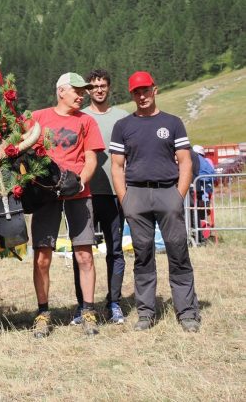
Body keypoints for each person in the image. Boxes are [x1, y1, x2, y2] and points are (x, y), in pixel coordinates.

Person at [110, 71, 200, 333]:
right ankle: (146, 313)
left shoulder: (173, 123)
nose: (142, 95)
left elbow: (185, 162)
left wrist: (177, 196)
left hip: (167, 193)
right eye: (136, 92)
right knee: (142, 255)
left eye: (145, 90)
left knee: (178, 251)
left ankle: (187, 313)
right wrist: (125, 199)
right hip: (136, 195)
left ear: (155, 90)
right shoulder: (123, 126)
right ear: (131, 95)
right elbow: (117, 167)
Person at [29, 73, 104, 338]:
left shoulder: (87, 121)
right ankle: (42, 313)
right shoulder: (38, 117)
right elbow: (21, 148)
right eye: (77, 90)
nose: (82, 95)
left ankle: (89, 311)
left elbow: (92, 158)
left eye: (84, 90)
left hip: (78, 194)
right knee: (42, 257)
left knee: (84, 255)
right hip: (46, 196)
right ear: (61, 91)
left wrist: (81, 182)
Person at [70, 69, 129, 325]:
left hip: (114, 195)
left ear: (109, 87)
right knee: (81, 252)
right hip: (84, 194)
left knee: (115, 250)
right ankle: (84, 305)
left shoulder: (123, 118)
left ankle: (114, 303)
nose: (99, 90)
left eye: (103, 85)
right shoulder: (79, 118)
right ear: (88, 91)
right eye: (94, 86)